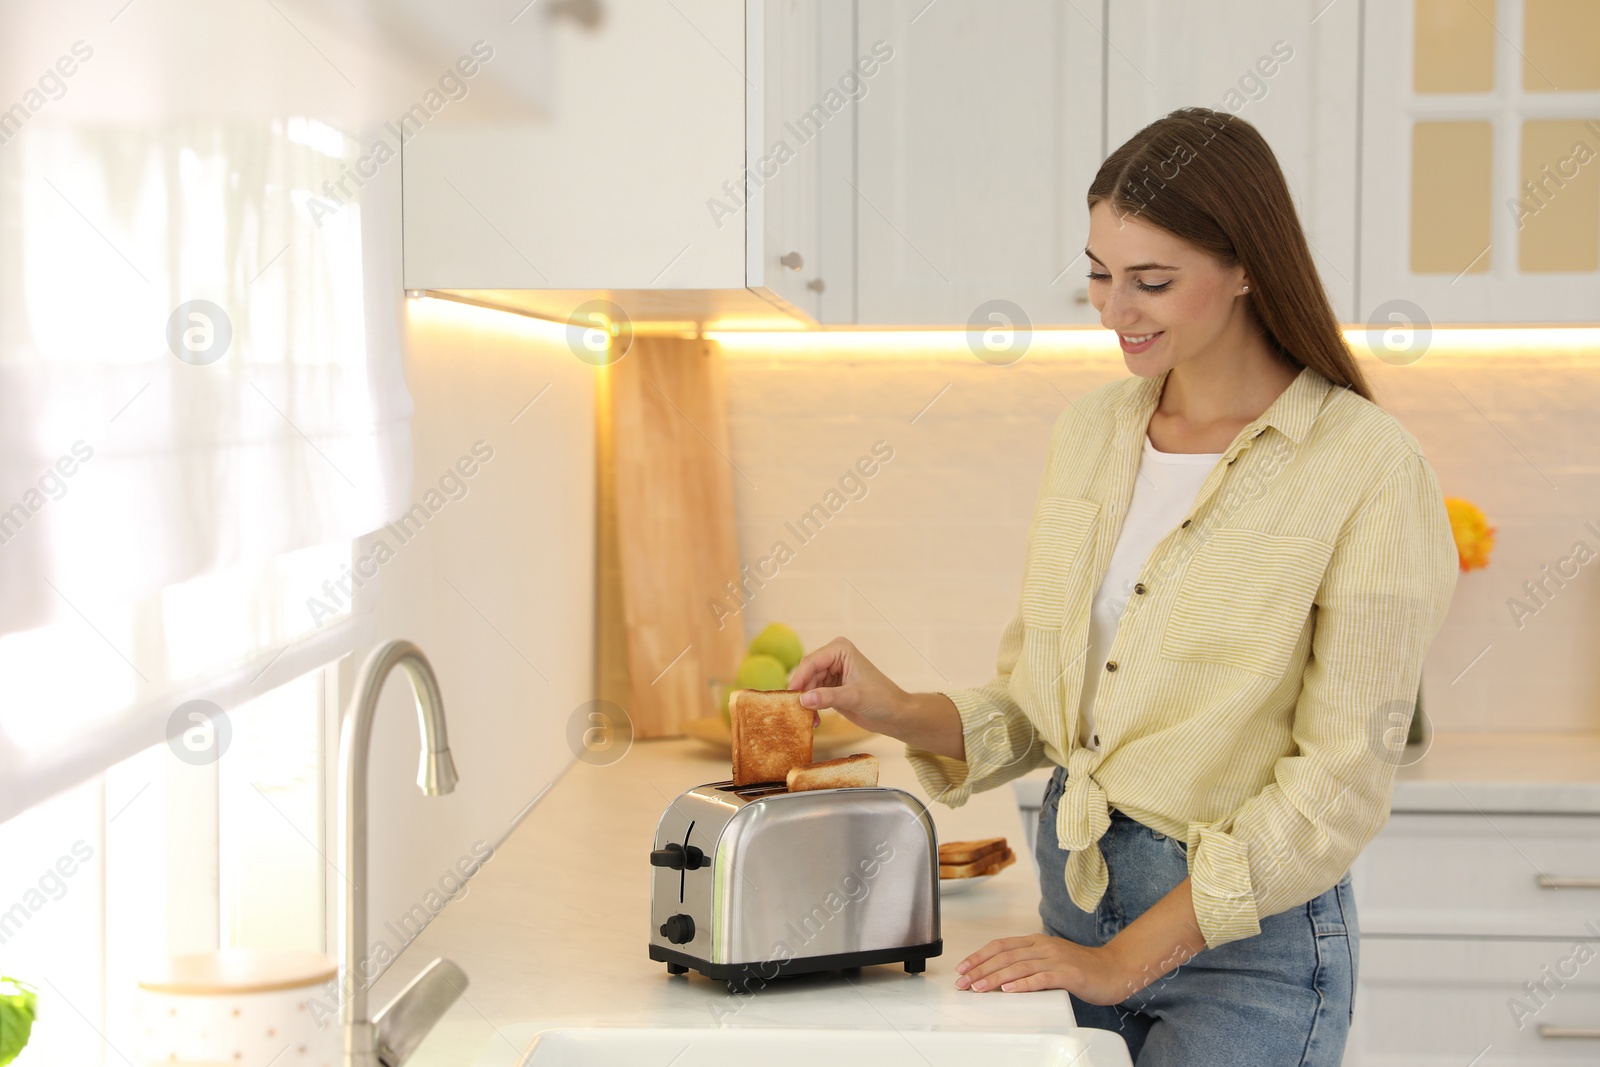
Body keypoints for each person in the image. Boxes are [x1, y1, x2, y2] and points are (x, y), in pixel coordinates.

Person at [786, 107, 1459, 1066]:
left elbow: (1337, 787)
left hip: (1246, 962)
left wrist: (1122, 964)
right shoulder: (1094, 433)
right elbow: (1049, 712)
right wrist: (893, 708)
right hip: (1077, 919)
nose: (1113, 309)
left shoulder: (1367, 466)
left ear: (1246, 266)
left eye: (1152, 281)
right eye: (1099, 274)